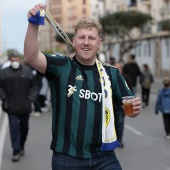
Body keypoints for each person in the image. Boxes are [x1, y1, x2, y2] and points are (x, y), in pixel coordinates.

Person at [24, 3, 141, 169]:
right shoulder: (61, 67)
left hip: (104, 158)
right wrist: (33, 24)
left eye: (91, 38)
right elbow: (31, 57)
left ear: (99, 43)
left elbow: (130, 107)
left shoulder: (111, 73)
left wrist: (135, 109)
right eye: (81, 37)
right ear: (74, 41)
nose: (86, 42)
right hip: (67, 159)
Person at [0, 50, 37, 162]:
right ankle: (16, 151)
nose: (15, 61)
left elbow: (33, 87)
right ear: (10, 59)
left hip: (25, 106)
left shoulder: (27, 71)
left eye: (17, 59)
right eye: (13, 59)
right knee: (14, 129)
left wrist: (30, 99)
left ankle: (21, 145)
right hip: (11, 106)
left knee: (24, 128)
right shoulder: (4, 72)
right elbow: (0, 87)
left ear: (19, 60)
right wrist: (4, 98)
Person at [114, 61, 132, 148]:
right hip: (111, 105)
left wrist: (129, 109)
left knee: (120, 123)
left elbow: (129, 93)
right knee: (112, 123)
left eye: (119, 67)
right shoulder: (108, 77)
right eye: (116, 67)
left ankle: (119, 140)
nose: (118, 69)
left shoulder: (126, 78)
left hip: (121, 106)